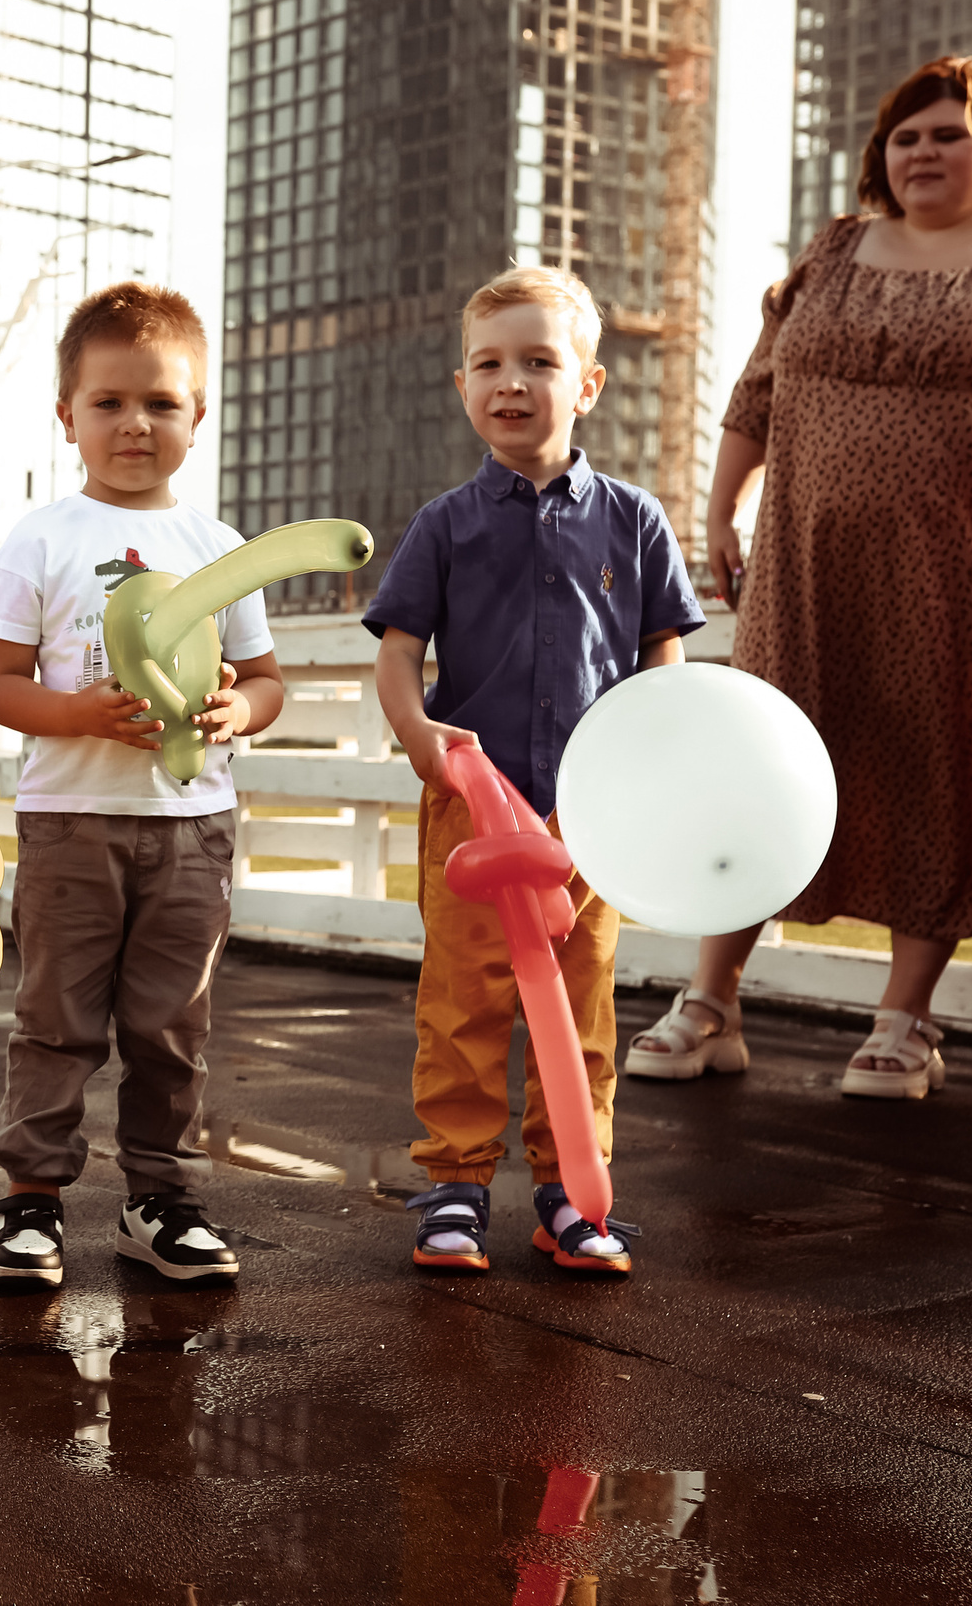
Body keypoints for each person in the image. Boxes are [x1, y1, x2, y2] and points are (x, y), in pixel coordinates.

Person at [627, 56, 972, 1100]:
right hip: (810, 562)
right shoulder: (834, 248)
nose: (923, 152)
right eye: (906, 137)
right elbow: (757, 392)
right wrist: (719, 510)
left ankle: (904, 1020)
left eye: (947, 134)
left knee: (935, 762)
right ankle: (711, 1002)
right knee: (761, 760)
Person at [364, 266, 702, 1278]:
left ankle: (570, 1194)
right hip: (473, 807)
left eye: (538, 362)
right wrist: (418, 735)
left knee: (581, 1005)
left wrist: (647, 749)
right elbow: (398, 652)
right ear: (463, 386)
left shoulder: (634, 519)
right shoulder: (444, 523)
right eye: (488, 364)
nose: (510, 382)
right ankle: (454, 1186)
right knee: (462, 1002)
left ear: (586, 384)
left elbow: (661, 650)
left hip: (589, 812)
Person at [0, 282, 284, 1288]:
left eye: (160, 402)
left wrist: (239, 710)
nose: (135, 423)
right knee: (55, 1018)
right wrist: (82, 713)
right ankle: (31, 1195)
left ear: (199, 416)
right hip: (70, 818)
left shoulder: (221, 549)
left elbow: (267, 680)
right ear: (67, 416)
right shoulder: (42, 538)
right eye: (108, 402)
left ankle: (161, 1198)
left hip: (192, 825)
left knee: (171, 1023)